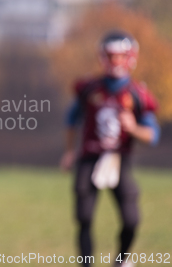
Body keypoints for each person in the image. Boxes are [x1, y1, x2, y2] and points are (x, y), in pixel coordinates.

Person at [60, 31, 160, 267]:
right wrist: (69, 151)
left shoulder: (137, 93)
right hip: (90, 157)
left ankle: (121, 261)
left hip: (119, 159)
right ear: (102, 57)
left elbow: (152, 135)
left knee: (131, 219)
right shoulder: (88, 88)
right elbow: (71, 118)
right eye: (110, 56)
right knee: (83, 217)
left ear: (130, 57)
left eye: (119, 56)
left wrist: (133, 128)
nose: (115, 61)